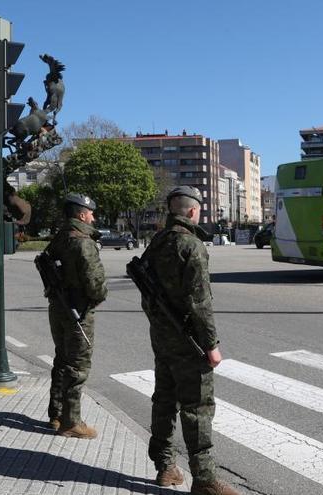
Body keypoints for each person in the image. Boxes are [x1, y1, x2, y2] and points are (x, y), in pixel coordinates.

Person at [139, 186, 239, 495]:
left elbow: (147, 297)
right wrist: (211, 345)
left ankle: (166, 466)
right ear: (193, 211)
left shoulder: (156, 243)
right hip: (189, 340)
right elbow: (200, 302)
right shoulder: (191, 246)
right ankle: (205, 480)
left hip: (163, 336)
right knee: (197, 407)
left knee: (165, 400)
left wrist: (160, 324)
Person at [45, 193, 108, 438]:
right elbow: (95, 283)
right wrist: (99, 296)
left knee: (61, 360)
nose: (93, 217)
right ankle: (72, 422)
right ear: (82, 214)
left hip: (58, 308)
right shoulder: (83, 242)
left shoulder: (60, 238)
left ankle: (57, 414)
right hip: (78, 312)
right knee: (78, 366)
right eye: (90, 213)